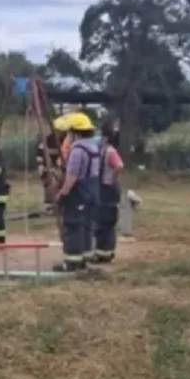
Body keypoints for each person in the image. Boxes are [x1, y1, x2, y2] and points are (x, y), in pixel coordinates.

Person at [54, 112, 102, 271]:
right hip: (92, 192)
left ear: (74, 132)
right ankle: (85, 258)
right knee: (86, 226)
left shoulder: (77, 150)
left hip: (78, 193)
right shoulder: (94, 146)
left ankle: (72, 262)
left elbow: (72, 175)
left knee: (73, 226)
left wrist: (63, 193)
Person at [92, 123, 125, 263]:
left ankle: (105, 253)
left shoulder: (110, 152)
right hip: (103, 189)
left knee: (106, 222)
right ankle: (103, 252)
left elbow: (119, 166)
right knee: (102, 222)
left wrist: (111, 179)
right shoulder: (102, 150)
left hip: (108, 190)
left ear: (105, 138)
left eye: (101, 135)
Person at [37, 115, 69, 211]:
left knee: (60, 184)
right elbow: (40, 152)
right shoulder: (47, 139)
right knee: (48, 184)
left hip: (60, 167)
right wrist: (41, 166)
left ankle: (60, 204)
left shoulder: (66, 140)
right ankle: (49, 204)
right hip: (47, 166)